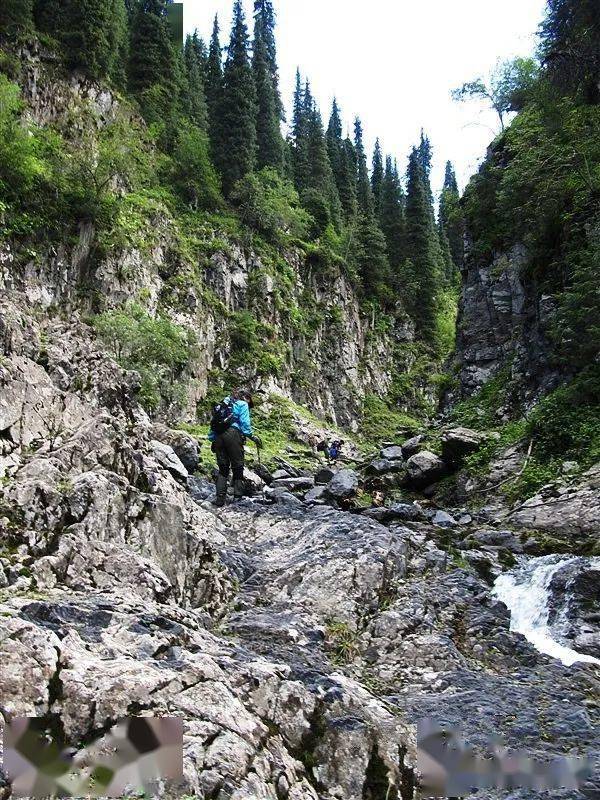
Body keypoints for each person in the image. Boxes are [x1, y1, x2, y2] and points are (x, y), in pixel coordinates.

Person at [208, 389, 262, 507]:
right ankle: (238, 498)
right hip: (233, 434)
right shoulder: (242, 404)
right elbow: (245, 424)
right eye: (249, 402)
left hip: (218, 437)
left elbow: (213, 424)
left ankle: (220, 499)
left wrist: (213, 439)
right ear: (246, 398)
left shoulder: (223, 404)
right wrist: (252, 437)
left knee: (223, 469)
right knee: (238, 466)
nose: (249, 405)